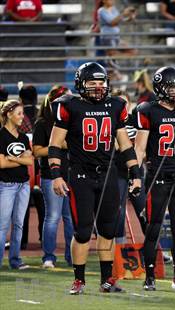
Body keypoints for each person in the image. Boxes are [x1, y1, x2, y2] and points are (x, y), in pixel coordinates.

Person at [48, 62, 141, 294]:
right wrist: (56, 176)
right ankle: (79, 279)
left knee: (107, 230)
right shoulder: (69, 106)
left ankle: (107, 279)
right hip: (81, 174)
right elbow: (55, 144)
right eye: (93, 83)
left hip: (108, 173)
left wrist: (136, 174)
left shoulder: (115, 105)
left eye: (101, 83)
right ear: (81, 84)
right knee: (82, 231)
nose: (98, 87)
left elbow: (125, 144)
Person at [134, 66, 175, 291]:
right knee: (153, 227)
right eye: (173, 87)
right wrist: (134, 174)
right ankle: (150, 276)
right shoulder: (148, 110)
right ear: (161, 88)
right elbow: (140, 147)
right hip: (158, 178)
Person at [33, 85, 74, 268]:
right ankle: (48, 256)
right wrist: (60, 145)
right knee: (53, 217)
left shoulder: (73, 121)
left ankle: (71, 255)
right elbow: (36, 151)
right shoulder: (42, 123)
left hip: (71, 174)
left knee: (71, 218)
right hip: (51, 175)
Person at [0, 100, 33, 270]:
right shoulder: (1, 135)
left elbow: (31, 160)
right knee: (3, 225)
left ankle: (15, 260)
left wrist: (12, 158)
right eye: (19, 113)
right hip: (6, 185)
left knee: (19, 224)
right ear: (9, 114)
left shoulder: (23, 137)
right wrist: (21, 160)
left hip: (24, 185)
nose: (22, 117)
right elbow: (2, 164)